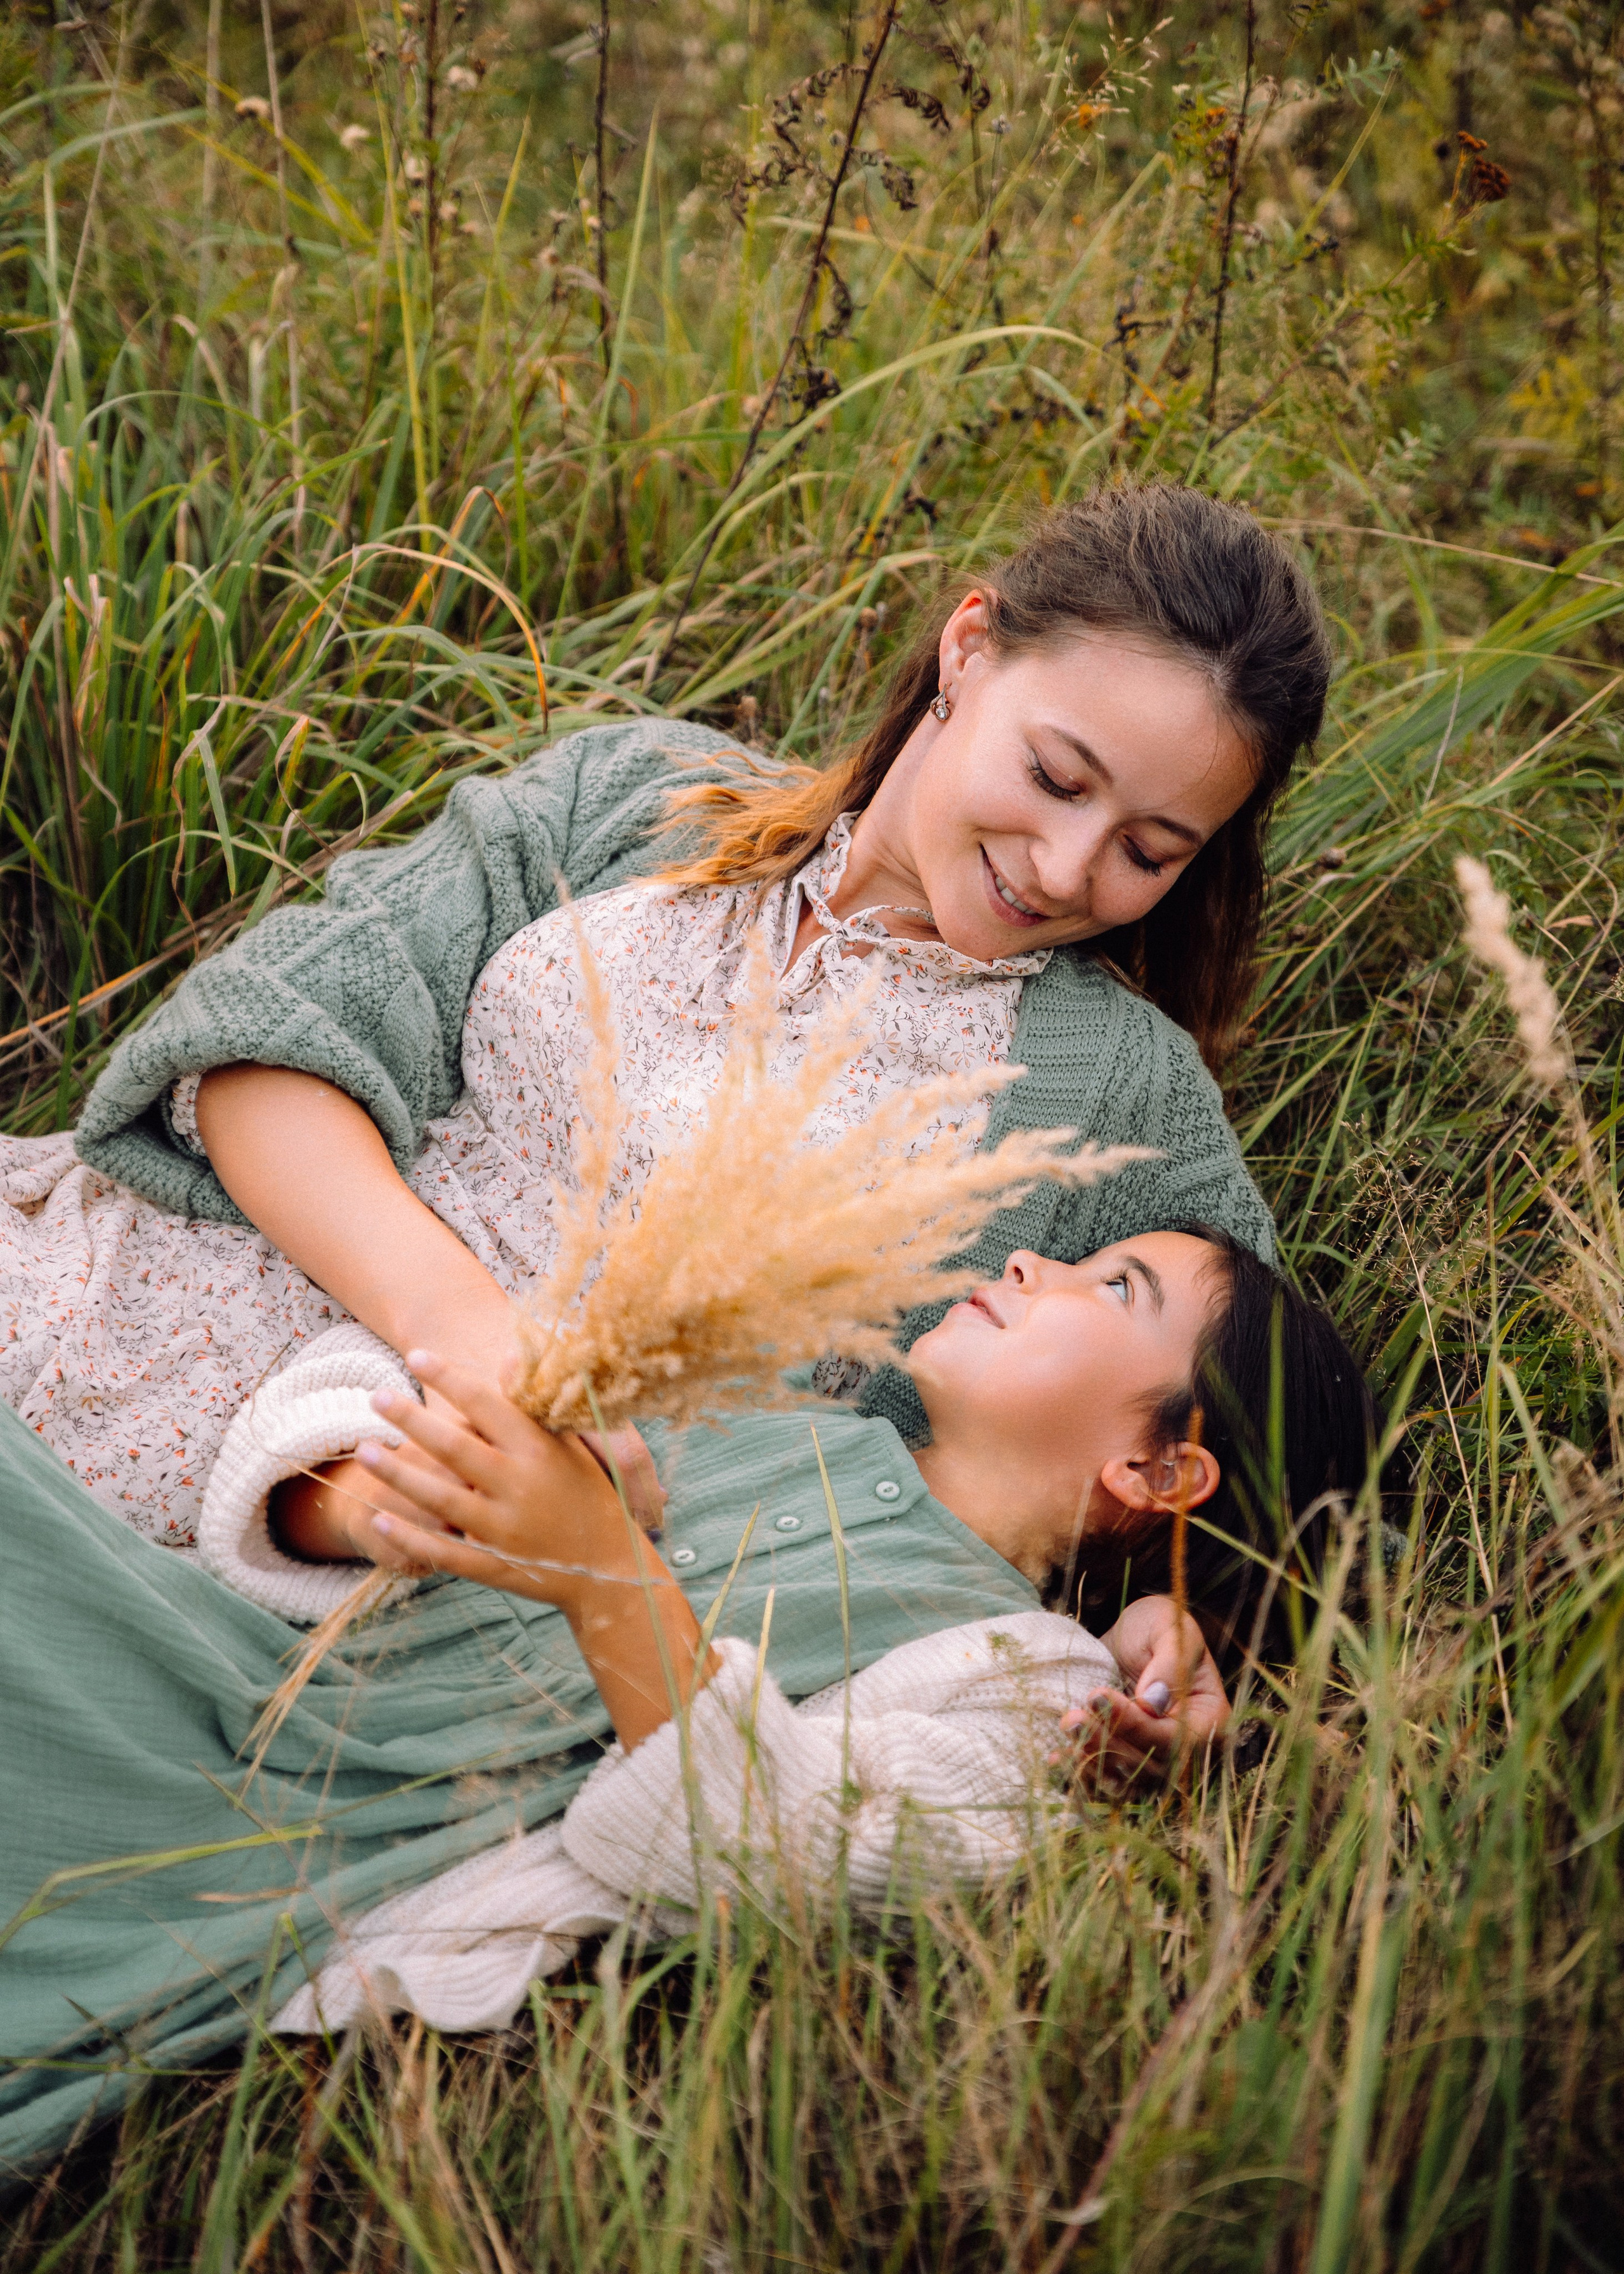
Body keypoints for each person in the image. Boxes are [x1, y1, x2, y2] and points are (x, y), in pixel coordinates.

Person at [22, 483, 1332, 1567]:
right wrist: (479, 1339)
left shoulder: (1116, 1092)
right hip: (111, 1292)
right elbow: (266, 1046)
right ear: (965, 648)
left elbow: (1260, 1443)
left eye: (1148, 849)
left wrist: (1176, 1618)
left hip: (390, 1532)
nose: (1060, 867)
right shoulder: (636, 795)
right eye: (1053, 776)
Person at [1, 1226, 1376, 2172]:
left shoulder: (1034, 1697)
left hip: (310, 1849)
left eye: (1111, 1284)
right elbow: (338, 1405)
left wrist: (599, 1563)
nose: (1033, 1259)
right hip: (213, 1657)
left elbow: (750, 1851)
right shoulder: (782, 1409)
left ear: (1161, 1472)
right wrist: (373, 1502)